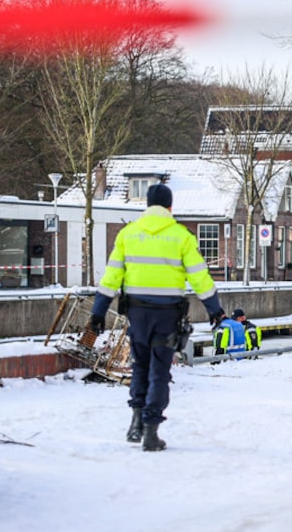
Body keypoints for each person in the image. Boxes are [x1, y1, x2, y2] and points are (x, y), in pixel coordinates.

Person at [88, 180, 225, 451]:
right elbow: (200, 278)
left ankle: (136, 421)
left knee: (140, 366)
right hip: (167, 315)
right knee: (160, 372)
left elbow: (111, 276)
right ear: (170, 206)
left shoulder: (128, 234)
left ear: (147, 205)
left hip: (137, 313)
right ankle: (151, 430)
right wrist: (215, 310)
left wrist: (98, 312)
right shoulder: (182, 236)